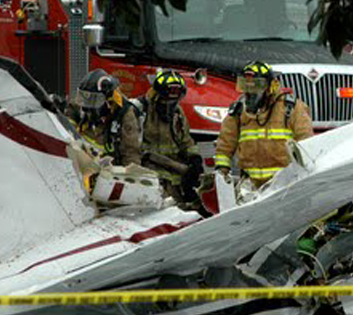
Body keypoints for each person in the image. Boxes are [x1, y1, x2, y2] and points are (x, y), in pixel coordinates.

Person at [214, 60, 313, 187]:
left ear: (271, 86)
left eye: (256, 86)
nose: (250, 91)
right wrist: (220, 173)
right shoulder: (238, 111)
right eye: (245, 86)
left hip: (286, 186)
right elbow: (225, 144)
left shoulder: (291, 108)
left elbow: (307, 146)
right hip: (251, 187)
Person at [136, 69, 204, 207]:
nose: (169, 104)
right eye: (166, 99)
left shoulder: (177, 112)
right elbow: (130, 145)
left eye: (174, 99)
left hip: (176, 172)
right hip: (150, 171)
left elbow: (186, 140)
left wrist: (194, 158)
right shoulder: (140, 110)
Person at [72, 68, 141, 166]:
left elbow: (131, 153)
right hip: (83, 165)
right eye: (87, 101)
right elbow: (65, 126)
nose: (87, 108)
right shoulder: (82, 107)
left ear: (108, 100)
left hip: (111, 170)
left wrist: (129, 172)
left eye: (94, 100)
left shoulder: (125, 115)